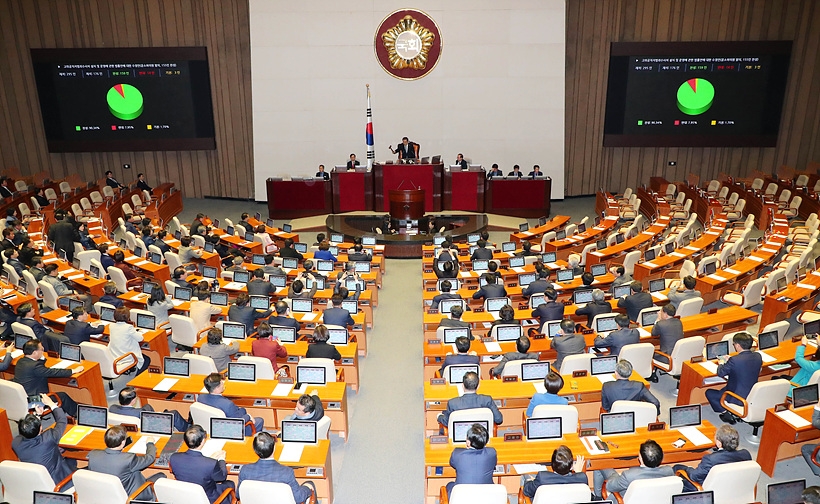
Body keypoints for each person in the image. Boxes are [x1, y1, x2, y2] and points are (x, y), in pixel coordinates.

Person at [12, 394, 77, 487]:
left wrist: (37, 415)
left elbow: (27, 431)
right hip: (59, 481)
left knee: (71, 459)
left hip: (38, 482)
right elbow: (62, 421)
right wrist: (51, 404)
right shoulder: (48, 438)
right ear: (41, 428)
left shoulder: (16, 443)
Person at [87, 425, 164, 500]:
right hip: (128, 496)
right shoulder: (128, 459)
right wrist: (150, 443)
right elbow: (149, 458)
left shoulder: (93, 454)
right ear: (123, 442)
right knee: (162, 475)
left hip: (103, 495)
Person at [238, 432, 314, 504]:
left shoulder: (245, 470)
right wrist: (307, 488)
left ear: (255, 450)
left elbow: (238, 494)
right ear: (274, 448)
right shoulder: (287, 472)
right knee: (310, 484)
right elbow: (298, 498)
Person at [705, 332, 763, 424]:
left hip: (737, 396)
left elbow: (720, 373)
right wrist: (731, 361)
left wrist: (721, 363)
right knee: (722, 389)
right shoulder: (758, 356)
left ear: (738, 345)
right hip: (752, 392)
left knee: (709, 393)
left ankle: (726, 413)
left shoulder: (735, 360)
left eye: (734, 344)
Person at [13, 339, 83, 416]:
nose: (43, 349)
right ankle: (79, 414)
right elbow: (53, 372)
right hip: (34, 399)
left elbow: (39, 368)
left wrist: (41, 358)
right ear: (34, 352)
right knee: (63, 396)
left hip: (23, 397)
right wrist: (73, 370)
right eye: (41, 349)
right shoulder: (35, 366)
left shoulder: (21, 361)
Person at [675, 424, 752, 492]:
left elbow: (694, 476)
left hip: (708, 489)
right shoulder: (746, 454)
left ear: (719, 443)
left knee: (677, 468)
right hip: (734, 487)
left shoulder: (710, 459)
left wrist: (689, 468)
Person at [169, 425, 234, 503]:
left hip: (185, 496)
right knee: (230, 484)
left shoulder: (174, 457)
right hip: (208, 498)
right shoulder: (210, 464)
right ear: (203, 441)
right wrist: (221, 459)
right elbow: (222, 477)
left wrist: (210, 460)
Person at [594, 440, 673, 498]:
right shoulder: (669, 471)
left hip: (624, 500)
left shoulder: (629, 476)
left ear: (640, 458)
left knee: (598, 464)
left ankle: (598, 498)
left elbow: (609, 486)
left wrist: (617, 476)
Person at [198, 373, 264, 435]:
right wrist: (248, 416)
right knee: (259, 420)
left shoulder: (200, 398)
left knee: (242, 410)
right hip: (230, 431)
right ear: (217, 388)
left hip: (209, 428)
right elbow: (238, 422)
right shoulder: (228, 405)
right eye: (222, 383)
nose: (223, 384)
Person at [445, 423, 497, 498]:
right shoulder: (492, 453)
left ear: (468, 442)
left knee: (449, 485)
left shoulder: (457, 454)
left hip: (462, 498)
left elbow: (452, 463)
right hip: (486, 497)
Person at [437, 371, 503, 427]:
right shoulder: (487, 400)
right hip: (481, 438)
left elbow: (446, 422)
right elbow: (499, 420)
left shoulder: (453, 403)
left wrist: (439, 416)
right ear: (478, 386)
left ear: (462, 386)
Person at [521, 445, 588, 499]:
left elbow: (526, 491)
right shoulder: (582, 478)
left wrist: (533, 481)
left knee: (526, 476)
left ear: (552, 465)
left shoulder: (542, 478)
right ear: (571, 466)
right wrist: (578, 473)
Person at [110, 386, 189, 432]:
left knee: (147, 406)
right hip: (148, 426)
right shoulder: (139, 412)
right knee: (174, 413)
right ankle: (187, 429)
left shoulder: (112, 408)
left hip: (126, 430)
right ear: (133, 401)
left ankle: (162, 413)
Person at [109, 306, 150, 375]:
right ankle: (136, 379)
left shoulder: (111, 326)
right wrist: (138, 332)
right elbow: (140, 338)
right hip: (126, 356)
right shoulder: (128, 327)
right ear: (127, 317)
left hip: (115, 354)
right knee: (147, 360)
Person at [650, 303, 683, 376]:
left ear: (665, 314)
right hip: (679, 354)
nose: (660, 313)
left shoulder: (661, 324)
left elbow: (653, 333)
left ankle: (652, 374)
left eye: (661, 312)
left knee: (649, 353)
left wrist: (658, 320)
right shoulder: (679, 322)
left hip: (667, 357)